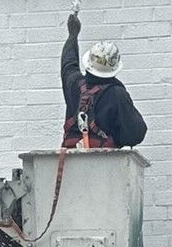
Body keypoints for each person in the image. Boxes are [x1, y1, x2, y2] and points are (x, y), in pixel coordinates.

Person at [62, 10, 146, 149]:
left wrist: (73, 34)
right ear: (114, 69)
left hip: (70, 157)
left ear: (88, 64)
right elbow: (135, 134)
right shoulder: (117, 95)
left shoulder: (73, 83)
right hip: (105, 159)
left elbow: (68, 63)